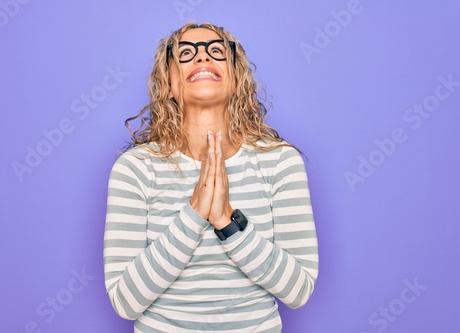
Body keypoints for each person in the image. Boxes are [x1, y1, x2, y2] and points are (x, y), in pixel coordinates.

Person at [104, 22, 318, 332]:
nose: (202, 58)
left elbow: (298, 291)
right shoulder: (135, 168)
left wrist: (227, 221)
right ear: (169, 84)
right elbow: (125, 302)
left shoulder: (280, 161)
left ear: (236, 78)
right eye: (186, 53)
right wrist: (194, 214)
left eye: (216, 51)